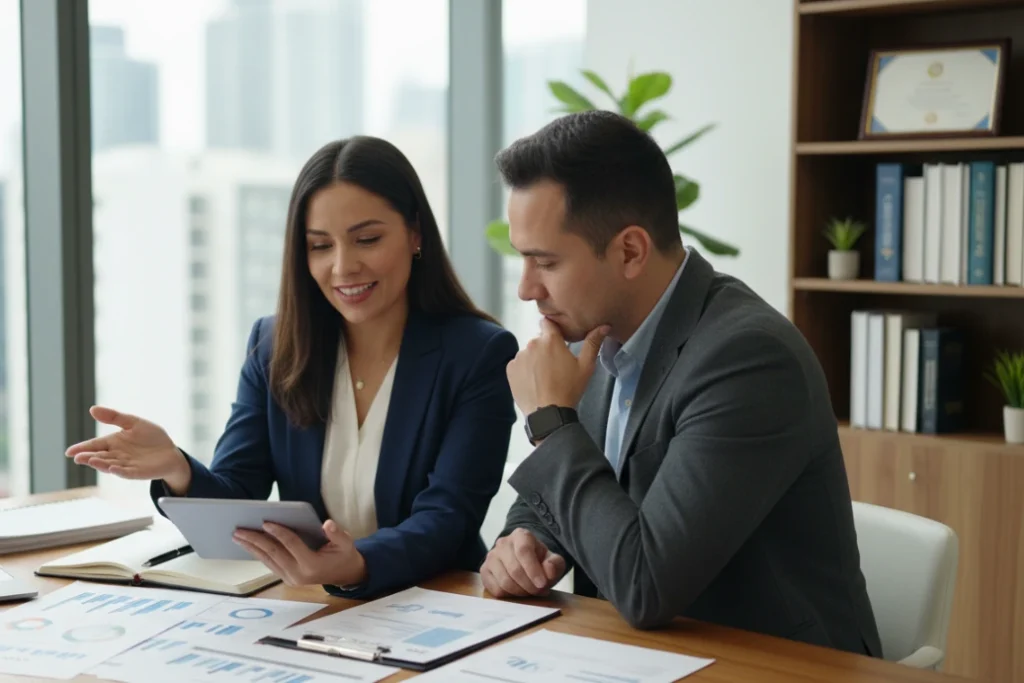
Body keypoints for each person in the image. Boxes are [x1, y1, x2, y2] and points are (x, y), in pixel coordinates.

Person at [480, 110, 883, 658]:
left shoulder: (748, 359)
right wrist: (522, 542)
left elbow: (646, 584)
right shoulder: (590, 337)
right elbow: (558, 495)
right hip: (640, 656)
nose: (527, 289)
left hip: (774, 666)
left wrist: (550, 423)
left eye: (544, 262)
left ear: (630, 251)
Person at [65, 135, 519, 600]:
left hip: (437, 601)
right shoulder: (274, 346)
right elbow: (240, 497)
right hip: (316, 604)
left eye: (367, 239)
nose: (343, 267)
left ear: (415, 233)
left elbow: (448, 518)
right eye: (320, 246)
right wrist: (177, 468)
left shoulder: (478, 354)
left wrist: (358, 563)